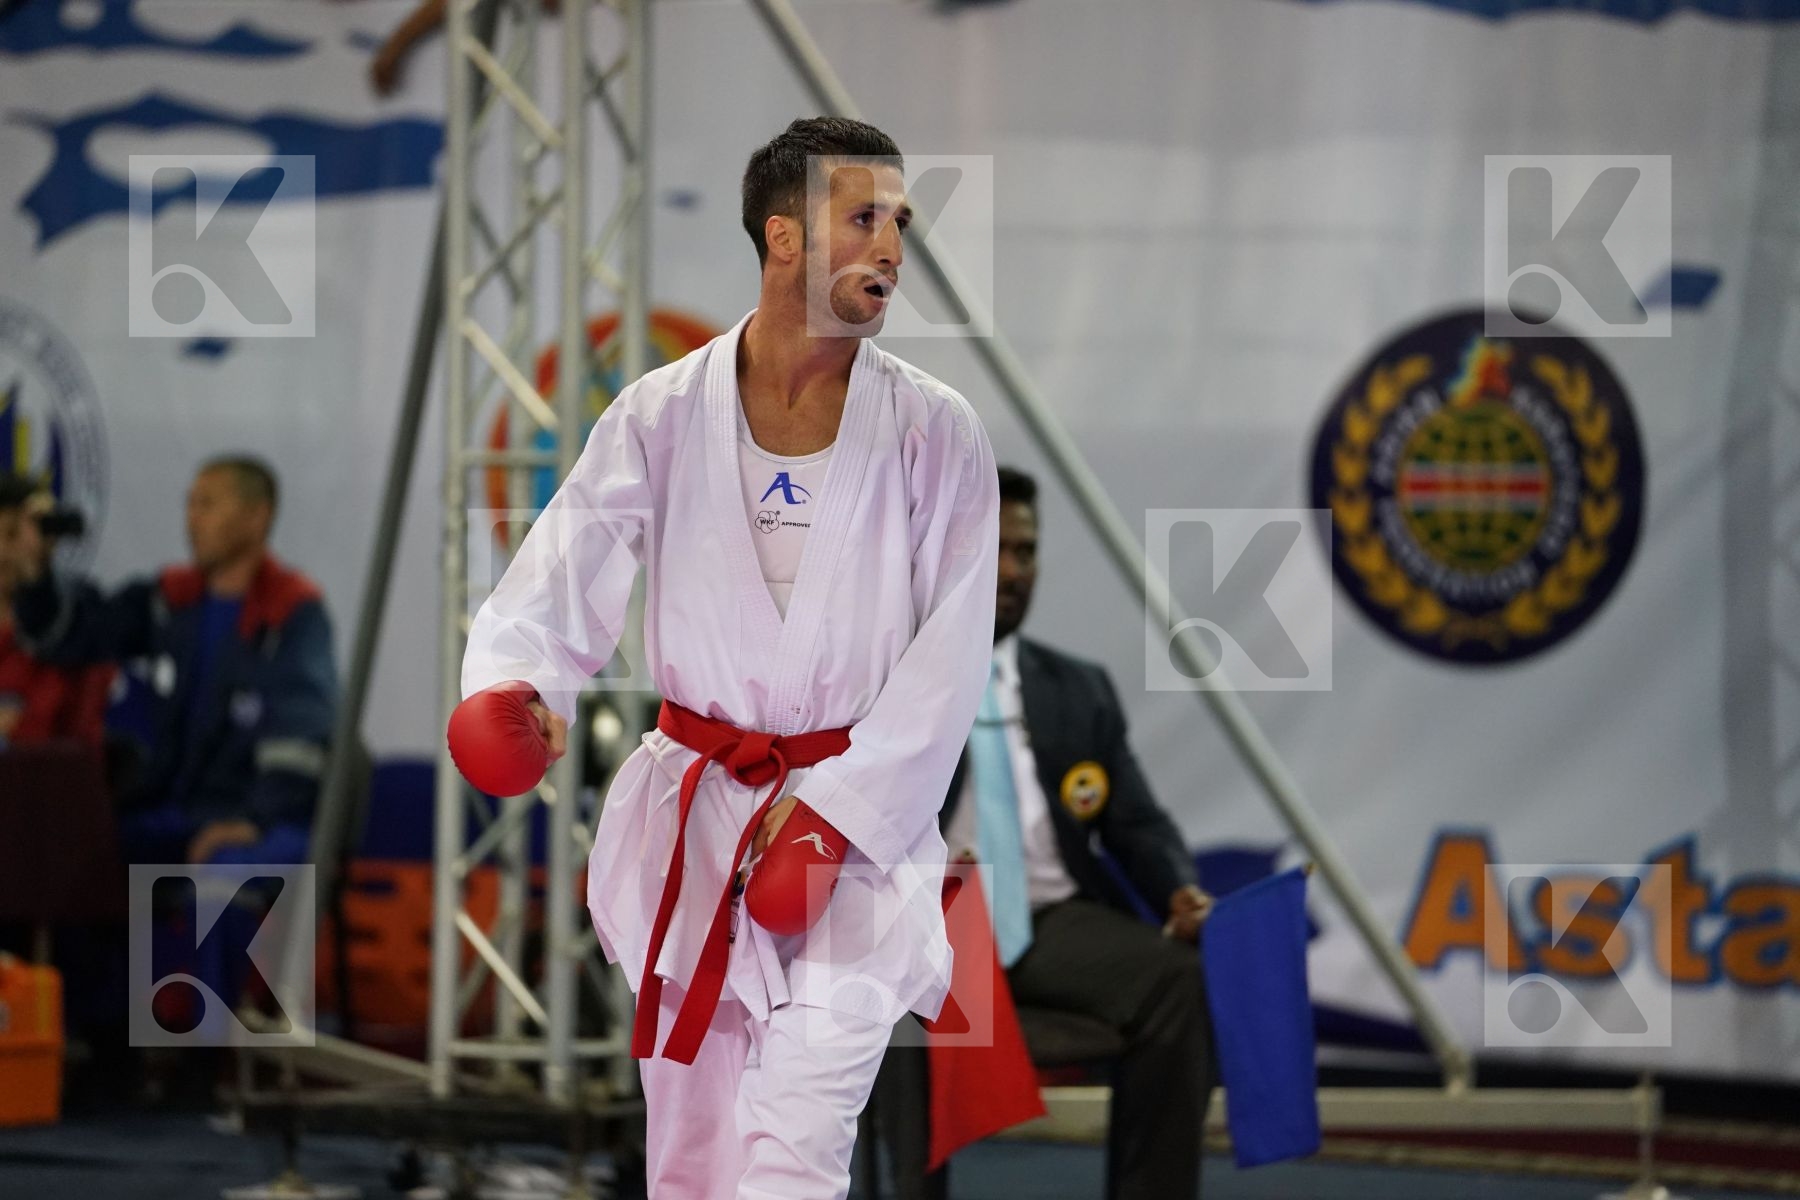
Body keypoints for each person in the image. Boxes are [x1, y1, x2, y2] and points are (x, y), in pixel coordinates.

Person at [453, 116, 999, 1200]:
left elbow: (950, 659)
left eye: (899, 220)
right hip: (692, 821)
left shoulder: (936, 432)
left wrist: (840, 818)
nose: (891, 246)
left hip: (855, 839)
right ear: (784, 237)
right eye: (863, 219)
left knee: (797, 1142)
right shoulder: (659, 414)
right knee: (694, 1155)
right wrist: (517, 687)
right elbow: (567, 567)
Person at [876, 464, 1218, 1200]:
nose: (1012, 570)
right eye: (996, 546)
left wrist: (1179, 889)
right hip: (929, 925)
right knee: (893, 987)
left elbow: (1135, 821)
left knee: (1176, 983)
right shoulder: (887, 674)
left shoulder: (1078, 688)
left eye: (1026, 552)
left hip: (1048, 919)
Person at [7, 455, 337, 868]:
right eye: (190, 504)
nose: (192, 519)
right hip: (170, 812)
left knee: (228, 873)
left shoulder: (292, 612)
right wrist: (36, 575)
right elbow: (71, 638)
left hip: (248, 815)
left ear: (257, 517)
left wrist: (255, 821)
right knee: (56, 860)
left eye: (208, 504)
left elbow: (299, 738)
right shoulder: (172, 599)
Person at [0, 474, 111, 748]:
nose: (3, 551)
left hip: (45, 782)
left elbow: (59, 732)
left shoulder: (74, 620)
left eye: (15, 535)